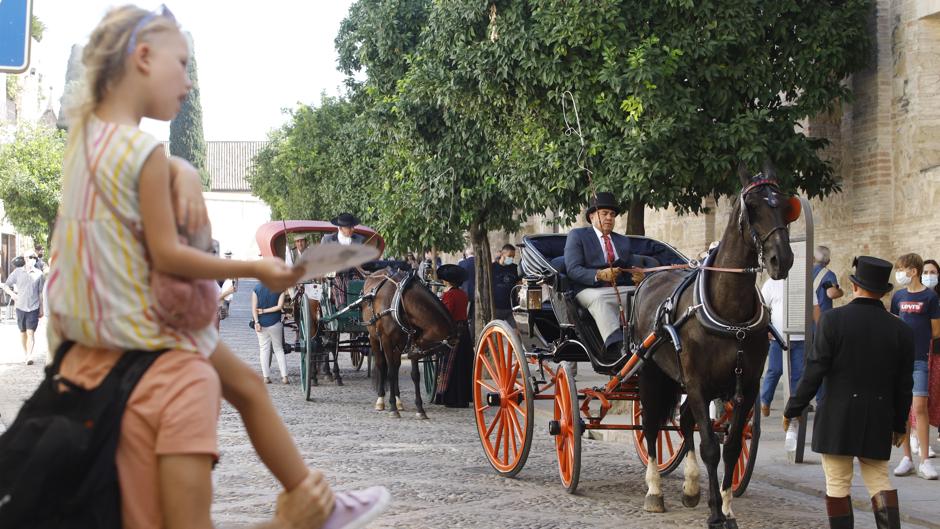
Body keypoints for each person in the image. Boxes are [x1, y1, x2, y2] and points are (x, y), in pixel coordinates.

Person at [44, 6, 388, 527]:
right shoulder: (141, 153)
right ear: (141, 58)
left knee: (249, 389)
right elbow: (165, 254)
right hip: (150, 331)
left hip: (104, 335)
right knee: (247, 390)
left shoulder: (85, 147)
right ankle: (308, 500)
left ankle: (311, 494)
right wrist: (258, 268)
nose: (187, 82)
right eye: (180, 65)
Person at [784, 256, 913, 529]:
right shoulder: (901, 330)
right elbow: (904, 385)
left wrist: (794, 408)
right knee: (879, 480)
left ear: (854, 287)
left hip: (838, 416)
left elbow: (814, 370)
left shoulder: (832, 321)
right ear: (884, 292)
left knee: (838, 483)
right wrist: (899, 423)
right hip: (878, 416)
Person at [563, 192, 642, 364]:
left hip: (619, 289)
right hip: (589, 289)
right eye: (604, 213)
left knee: (645, 293)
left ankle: (644, 340)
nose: (609, 218)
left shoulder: (623, 241)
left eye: (612, 215)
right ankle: (616, 347)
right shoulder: (577, 236)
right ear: (592, 216)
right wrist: (598, 275)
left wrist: (639, 276)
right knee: (600, 299)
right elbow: (573, 269)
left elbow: (630, 268)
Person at [890, 253, 940, 479]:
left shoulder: (930, 297)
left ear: (913, 271)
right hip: (899, 359)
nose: (900, 273)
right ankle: (907, 457)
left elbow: (936, 330)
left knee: (919, 407)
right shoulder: (898, 296)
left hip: (920, 358)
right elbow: (892, 324)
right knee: (903, 408)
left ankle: (925, 461)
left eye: (902, 269)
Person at [759, 277, 805, 417]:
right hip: (778, 337)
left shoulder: (803, 282)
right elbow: (762, 307)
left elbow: (814, 306)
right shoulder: (771, 284)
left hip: (801, 335)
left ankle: (794, 407)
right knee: (775, 370)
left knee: (798, 374)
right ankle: (765, 401)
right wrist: (765, 329)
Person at [433, 264, 472, 408]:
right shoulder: (462, 294)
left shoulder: (449, 295)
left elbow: (446, 315)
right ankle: (463, 397)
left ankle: (451, 398)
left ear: (446, 281)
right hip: (464, 332)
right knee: (462, 366)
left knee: (452, 367)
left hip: (453, 332)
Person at [2, 254, 45, 365]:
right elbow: (6, 285)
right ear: (25, 259)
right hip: (20, 307)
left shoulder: (39, 274)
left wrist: (42, 308)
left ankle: (29, 356)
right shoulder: (17, 272)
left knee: (30, 332)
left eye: (32, 258)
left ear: (35, 260)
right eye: (27, 258)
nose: (29, 260)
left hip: (33, 307)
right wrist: (12, 294)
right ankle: (26, 354)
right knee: (23, 332)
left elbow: (40, 293)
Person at [253, 283, 289, 384]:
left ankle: (266, 377)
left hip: (262, 324)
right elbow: (279, 306)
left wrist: (256, 322)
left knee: (264, 349)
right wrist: (265, 311)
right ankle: (284, 377)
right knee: (279, 349)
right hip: (275, 323)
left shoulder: (256, 288)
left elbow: (253, 308)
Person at [924, 259, 940, 445]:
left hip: (937, 348)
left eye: (933, 272)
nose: (929, 276)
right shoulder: (916, 295)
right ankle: (915, 434)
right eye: (926, 272)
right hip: (923, 350)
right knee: (923, 393)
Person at [813, 246, 844, 323]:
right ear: (828, 261)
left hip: (804, 319)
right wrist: (841, 291)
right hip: (821, 319)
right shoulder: (827, 275)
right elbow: (832, 293)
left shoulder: (805, 271)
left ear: (813, 258)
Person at [492, 244, 519, 326]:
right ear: (502, 254)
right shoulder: (492, 268)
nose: (511, 259)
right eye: (509, 256)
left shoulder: (515, 268)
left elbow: (520, 283)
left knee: (515, 335)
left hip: (511, 308)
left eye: (513, 257)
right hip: (496, 308)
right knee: (496, 332)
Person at [458, 247, 475, 330]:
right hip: (476, 292)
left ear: (466, 254)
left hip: (465, 291)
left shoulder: (461, 263)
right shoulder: (479, 262)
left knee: (464, 314)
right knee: (473, 315)